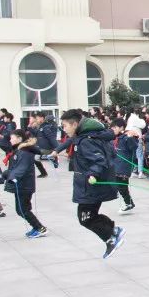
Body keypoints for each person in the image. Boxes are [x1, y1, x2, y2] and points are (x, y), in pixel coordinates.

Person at [57, 109, 124, 258]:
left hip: (91, 186)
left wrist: (92, 173)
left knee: (85, 218)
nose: (64, 128)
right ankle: (113, 231)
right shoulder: (87, 136)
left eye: (65, 125)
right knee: (89, 216)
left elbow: (99, 160)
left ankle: (111, 238)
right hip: (91, 186)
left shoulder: (86, 140)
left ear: (74, 124)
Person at [3, 129, 48, 238]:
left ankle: (40, 228)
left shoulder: (24, 152)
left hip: (24, 185)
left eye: (12, 137)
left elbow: (21, 168)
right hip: (20, 184)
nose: (10, 139)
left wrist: (10, 175)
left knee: (22, 210)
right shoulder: (19, 150)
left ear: (19, 139)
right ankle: (36, 227)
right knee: (22, 209)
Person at [109, 119, 138, 214]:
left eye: (115, 127)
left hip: (124, 166)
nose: (113, 129)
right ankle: (128, 203)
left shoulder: (126, 137)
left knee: (121, 186)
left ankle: (128, 203)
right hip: (116, 165)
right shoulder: (115, 138)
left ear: (121, 127)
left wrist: (130, 138)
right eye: (112, 127)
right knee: (121, 186)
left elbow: (134, 147)